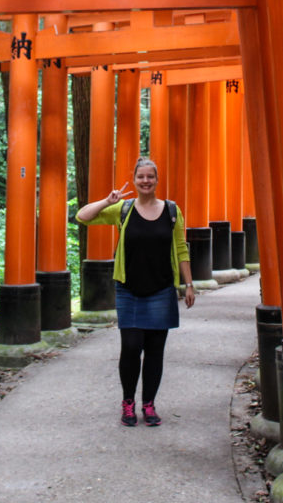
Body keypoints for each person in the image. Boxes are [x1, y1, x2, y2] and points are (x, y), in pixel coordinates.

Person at [76, 157, 194, 427]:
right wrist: (108, 201)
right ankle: (128, 402)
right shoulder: (123, 209)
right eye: (140, 176)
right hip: (129, 289)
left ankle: (149, 404)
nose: (145, 181)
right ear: (135, 179)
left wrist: (188, 284)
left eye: (150, 176)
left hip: (162, 288)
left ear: (156, 179)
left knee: (155, 350)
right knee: (130, 347)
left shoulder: (172, 211)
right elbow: (82, 217)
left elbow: (181, 249)